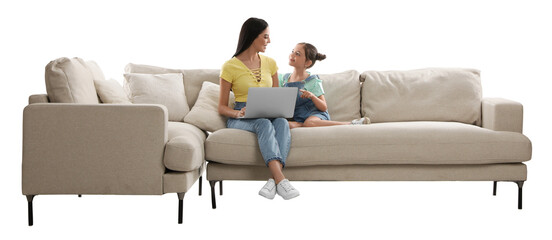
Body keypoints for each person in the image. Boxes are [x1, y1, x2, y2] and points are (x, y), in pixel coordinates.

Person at [218, 18, 299, 200]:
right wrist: (238, 113)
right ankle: (281, 179)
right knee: (263, 123)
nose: (268, 41)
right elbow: (222, 107)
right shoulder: (229, 66)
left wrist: (282, 109)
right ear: (252, 37)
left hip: (269, 112)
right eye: (265, 37)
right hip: (240, 115)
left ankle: (273, 180)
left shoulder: (270, 63)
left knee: (281, 122)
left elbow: (277, 96)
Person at [280, 42, 370, 128]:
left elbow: (323, 107)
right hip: (299, 117)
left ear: (307, 63)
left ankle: (350, 124)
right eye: (292, 51)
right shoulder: (284, 79)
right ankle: (302, 124)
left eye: (298, 54)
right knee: (285, 124)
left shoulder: (312, 81)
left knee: (310, 122)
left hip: (315, 114)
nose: (292, 55)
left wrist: (312, 96)